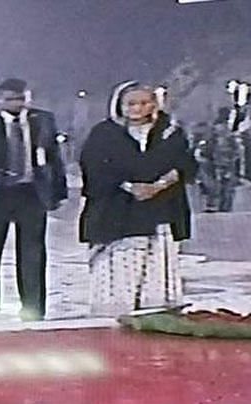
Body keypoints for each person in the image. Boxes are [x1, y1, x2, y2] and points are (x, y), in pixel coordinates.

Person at [79, 81, 196, 317]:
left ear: (154, 104)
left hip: (161, 212)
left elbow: (185, 164)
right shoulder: (104, 133)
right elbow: (94, 168)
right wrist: (131, 187)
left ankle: (157, 316)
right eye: (131, 103)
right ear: (119, 105)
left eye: (144, 102)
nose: (137, 108)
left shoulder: (170, 132)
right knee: (120, 273)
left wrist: (159, 185)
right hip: (116, 214)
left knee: (156, 271)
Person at [0, 79, 67, 322]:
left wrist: (57, 191)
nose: (17, 104)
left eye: (21, 98)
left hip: (30, 194)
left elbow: (54, 157)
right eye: (10, 99)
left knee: (33, 253)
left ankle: (33, 307)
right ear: (0, 100)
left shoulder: (43, 120)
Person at [196, 109, 244, 213]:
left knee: (226, 187)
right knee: (213, 185)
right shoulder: (211, 138)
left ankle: (224, 206)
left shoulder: (230, 138)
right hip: (215, 165)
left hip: (227, 165)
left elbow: (237, 152)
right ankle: (214, 204)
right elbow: (204, 151)